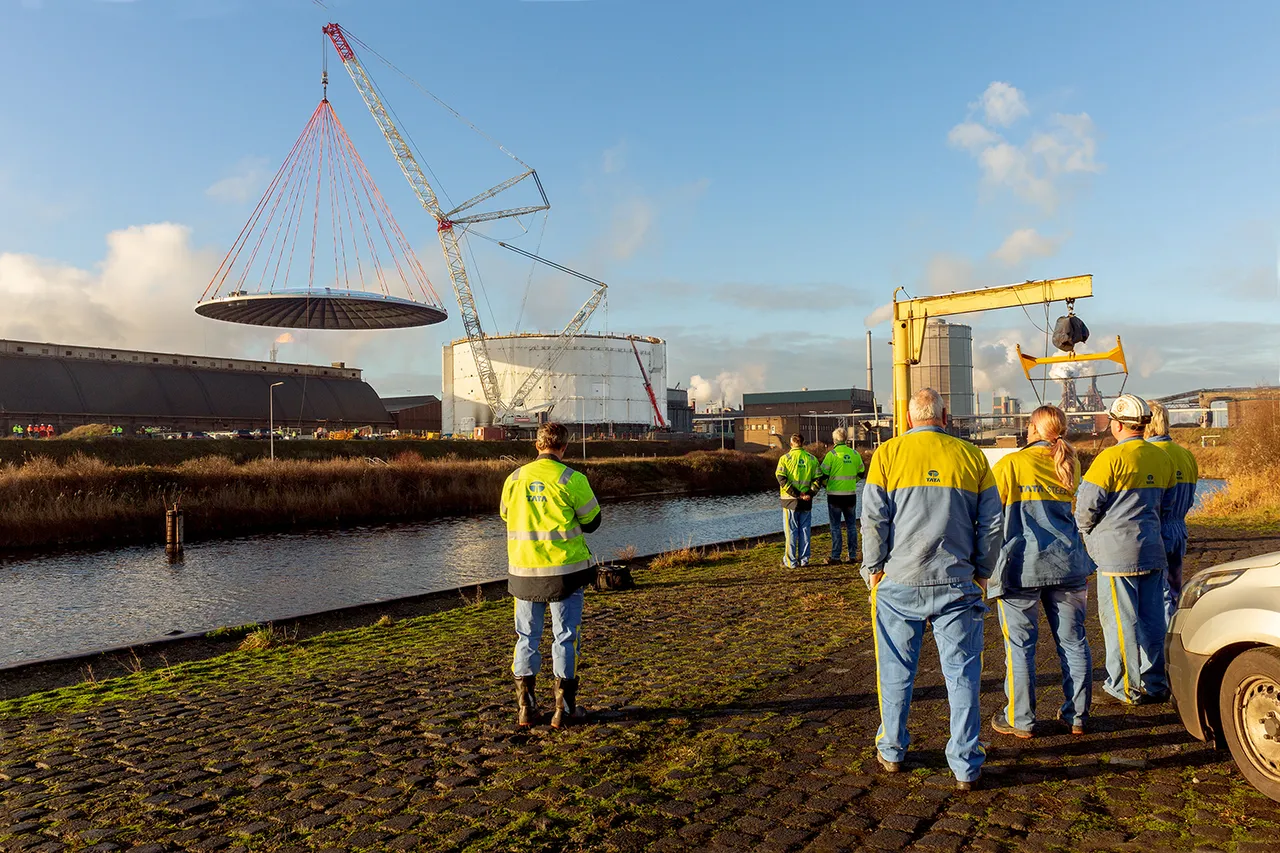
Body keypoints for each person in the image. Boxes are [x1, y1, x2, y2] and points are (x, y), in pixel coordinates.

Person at [861, 388, 1001, 790]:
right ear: (945, 416)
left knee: (895, 671)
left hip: (899, 582)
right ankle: (965, 764)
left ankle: (892, 750)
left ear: (908, 419)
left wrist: (874, 570)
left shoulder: (887, 455)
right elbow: (992, 523)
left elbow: (873, 519)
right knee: (962, 675)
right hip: (957, 582)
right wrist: (982, 572)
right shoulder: (972, 457)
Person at [988, 405, 1092, 738]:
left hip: (1023, 567)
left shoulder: (1011, 464)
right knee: (1074, 642)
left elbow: (989, 514)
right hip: (1068, 564)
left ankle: (1021, 719)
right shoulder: (1070, 462)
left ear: (1033, 428)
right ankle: (1077, 716)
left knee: (1020, 647)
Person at [500, 422, 602, 729]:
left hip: (524, 571)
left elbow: (505, 514)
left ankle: (525, 708)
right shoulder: (572, 479)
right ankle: (564, 709)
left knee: (526, 637)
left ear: (537, 445)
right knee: (565, 636)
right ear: (564, 447)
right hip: (564, 573)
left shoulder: (514, 479)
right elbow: (593, 522)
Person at [1075, 394, 1175, 705]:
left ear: (1117, 425)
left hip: (1116, 555)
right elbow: (1168, 506)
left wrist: (1087, 533)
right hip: (1152, 548)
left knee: (1120, 623)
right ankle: (1156, 682)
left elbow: (1086, 507)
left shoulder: (1109, 459)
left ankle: (1123, 687)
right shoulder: (1162, 458)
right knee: (1153, 620)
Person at [1145, 401, 1199, 624]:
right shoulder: (1186, 455)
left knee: (1160, 594)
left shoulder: (1148, 455)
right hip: (1179, 529)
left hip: (1157, 529)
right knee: (1174, 592)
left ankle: (1165, 641)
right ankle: (1177, 630)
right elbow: (1191, 497)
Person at [817, 427, 865, 565]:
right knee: (851, 526)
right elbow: (861, 472)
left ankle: (836, 556)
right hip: (850, 494)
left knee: (835, 527)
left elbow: (822, 474)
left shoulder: (831, 455)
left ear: (834, 440)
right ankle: (852, 555)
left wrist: (827, 485)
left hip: (834, 495)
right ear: (846, 439)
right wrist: (852, 481)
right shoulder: (854, 454)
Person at [776, 433, 820, 568]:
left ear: (791, 443)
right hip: (806, 500)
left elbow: (781, 478)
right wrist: (810, 493)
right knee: (805, 531)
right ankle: (804, 560)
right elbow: (818, 479)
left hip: (790, 500)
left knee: (791, 531)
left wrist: (796, 494)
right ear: (803, 443)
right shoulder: (812, 459)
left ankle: (791, 561)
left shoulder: (785, 458)